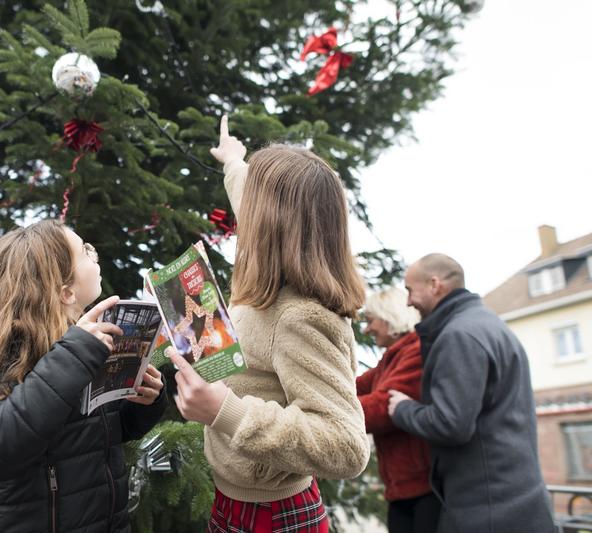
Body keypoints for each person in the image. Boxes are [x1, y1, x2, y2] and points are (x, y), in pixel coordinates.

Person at [169, 116, 371, 532]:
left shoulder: (300, 318)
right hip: (234, 502)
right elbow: (249, 196)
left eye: (253, 213)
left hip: (275, 517)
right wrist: (233, 161)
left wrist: (226, 412)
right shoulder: (276, 260)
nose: (243, 221)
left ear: (273, 224)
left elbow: (346, 445)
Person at [0, 219, 167, 533]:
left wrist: (143, 403)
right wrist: (74, 356)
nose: (94, 256)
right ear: (66, 291)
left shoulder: (86, 343)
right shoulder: (9, 356)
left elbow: (98, 435)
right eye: (85, 251)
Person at [388, 253, 554, 533]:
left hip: (488, 511)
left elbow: (451, 424)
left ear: (434, 284)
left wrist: (403, 409)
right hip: (518, 502)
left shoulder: (459, 336)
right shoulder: (489, 324)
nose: (408, 302)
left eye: (409, 290)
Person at [356, 287, 438, 533]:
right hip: (402, 487)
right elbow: (354, 388)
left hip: (422, 488)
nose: (366, 329)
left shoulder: (415, 352)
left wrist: (331, 413)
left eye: (371, 321)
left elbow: (382, 407)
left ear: (389, 316)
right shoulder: (391, 358)